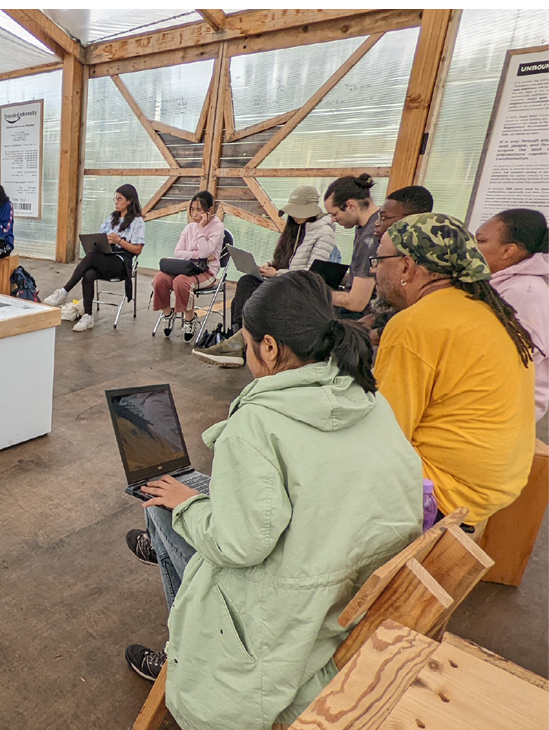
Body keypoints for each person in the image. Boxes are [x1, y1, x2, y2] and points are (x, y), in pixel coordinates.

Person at [120, 273, 424, 730]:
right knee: (176, 496)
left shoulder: (255, 424)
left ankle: (177, 652)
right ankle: (162, 539)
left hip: (284, 615)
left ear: (269, 347)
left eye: (244, 345)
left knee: (163, 504)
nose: (243, 357)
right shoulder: (368, 397)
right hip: (343, 580)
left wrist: (189, 506)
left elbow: (239, 546)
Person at [371, 213, 539, 526]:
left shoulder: (414, 324)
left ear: (406, 266)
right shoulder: (487, 309)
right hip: (495, 486)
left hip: (444, 493)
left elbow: (385, 435)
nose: (374, 268)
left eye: (379, 259)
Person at [197, 182, 341, 364]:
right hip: (282, 279)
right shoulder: (296, 228)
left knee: (260, 296)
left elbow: (311, 274)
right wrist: (268, 267)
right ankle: (238, 338)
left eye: (298, 211)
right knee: (246, 282)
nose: (294, 216)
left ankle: (238, 345)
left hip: (299, 288)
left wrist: (277, 274)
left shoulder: (324, 233)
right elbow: (285, 261)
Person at [471, 209, 548, 424]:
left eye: (480, 241)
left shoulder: (525, 292)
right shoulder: (498, 281)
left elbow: (507, 360)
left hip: (505, 411)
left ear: (508, 251)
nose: (472, 249)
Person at [48, 182, 147, 331]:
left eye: (120, 199)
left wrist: (119, 241)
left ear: (130, 201)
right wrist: (104, 240)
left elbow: (138, 249)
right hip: (105, 257)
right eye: (115, 198)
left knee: (92, 257)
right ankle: (87, 316)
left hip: (121, 262)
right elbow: (101, 236)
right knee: (89, 274)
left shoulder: (137, 222)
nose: (116, 202)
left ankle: (64, 291)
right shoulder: (112, 218)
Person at [151, 190, 231, 341]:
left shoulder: (217, 227)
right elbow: (178, 253)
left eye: (199, 210)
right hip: (185, 268)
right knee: (159, 279)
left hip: (207, 272)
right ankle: (168, 314)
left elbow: (205, 251)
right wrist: (197, 255)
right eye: (192, 209)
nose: (194, 214)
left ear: (209, 210)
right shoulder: (189, 228)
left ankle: (189, 319)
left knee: (181, 282)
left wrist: (201, 230)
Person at [331, 175, 388, 321]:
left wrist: (316, 292)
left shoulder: (370, 237)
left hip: (363, 317)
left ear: (350, 205)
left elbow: (356, 302)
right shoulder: (364, 227)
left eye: (334, 214)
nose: (333, 220)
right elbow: (366, 277)